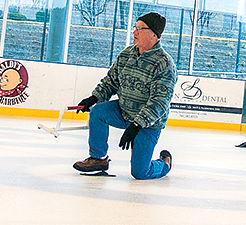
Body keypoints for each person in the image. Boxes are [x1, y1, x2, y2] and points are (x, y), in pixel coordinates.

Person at [72, 12, 177, 179]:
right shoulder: (127, 54)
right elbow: (110, 81)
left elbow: (159, 103)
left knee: (140, 172)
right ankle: (98, 159)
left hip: (147, 124)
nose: (134, 32)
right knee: (98, 112)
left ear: (154, 34)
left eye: (139, 29)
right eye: (135, 28)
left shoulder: (164, 64)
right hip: (123, 111)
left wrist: (136, 125)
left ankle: (164, 164)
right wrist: (94, 98)